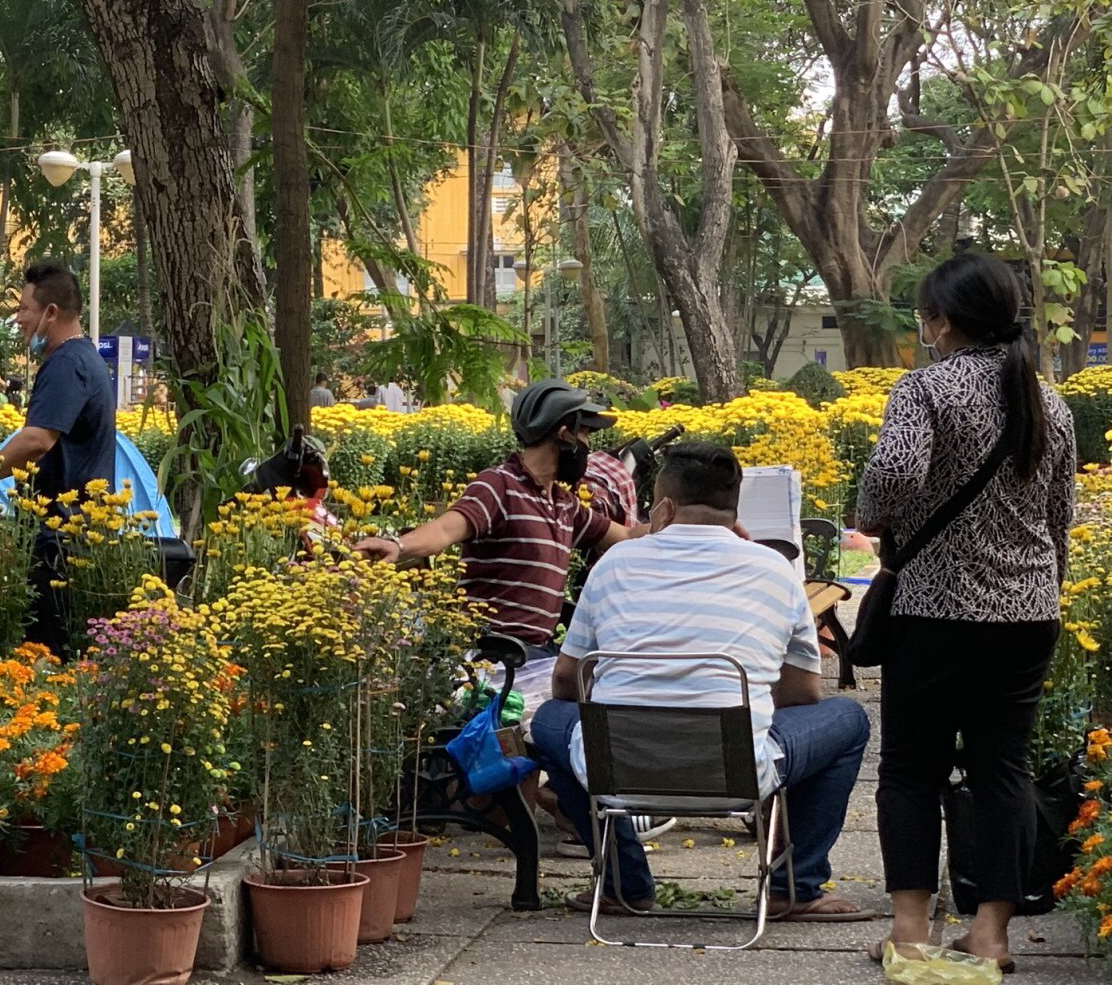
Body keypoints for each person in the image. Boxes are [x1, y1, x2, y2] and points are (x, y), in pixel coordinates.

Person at [529, 441, 873, 920]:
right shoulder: (775, 570)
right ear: (734, 512)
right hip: (737, 773)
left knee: (550, 720)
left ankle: (623, 885)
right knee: (848, 719)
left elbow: (567, 683)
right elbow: (804, 694)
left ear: (665, 508)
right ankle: (794, 885)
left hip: (617, 769)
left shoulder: (614, 564)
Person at [856, 252, 1075, 972]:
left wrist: (871, 517)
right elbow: (1059, 518)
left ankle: (912, 932)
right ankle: (991, 935)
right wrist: (1040, 591)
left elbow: (894, 472)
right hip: (1026, 615)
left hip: (935, 613)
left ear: (942, 321)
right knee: (1002, 771)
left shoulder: (927, 389)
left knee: (912, 771)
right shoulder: (1051, 402)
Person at [355, 378, 636, 659]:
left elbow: (624, 537)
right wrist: (397, 545)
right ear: (565, 434)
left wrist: (675, 521)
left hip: (537, 653)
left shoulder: (564, 505)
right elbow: (444, 529)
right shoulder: (499, 485)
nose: (588, 446)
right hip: (494, 653)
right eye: (585, 434)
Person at [0, 259, 116, 653]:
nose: (18, 318)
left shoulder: (67, 363)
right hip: (73, 534)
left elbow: (37, 440)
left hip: (60, 541)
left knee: (45, 656)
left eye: (24, 309)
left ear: (50, 313)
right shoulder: (84, 358)